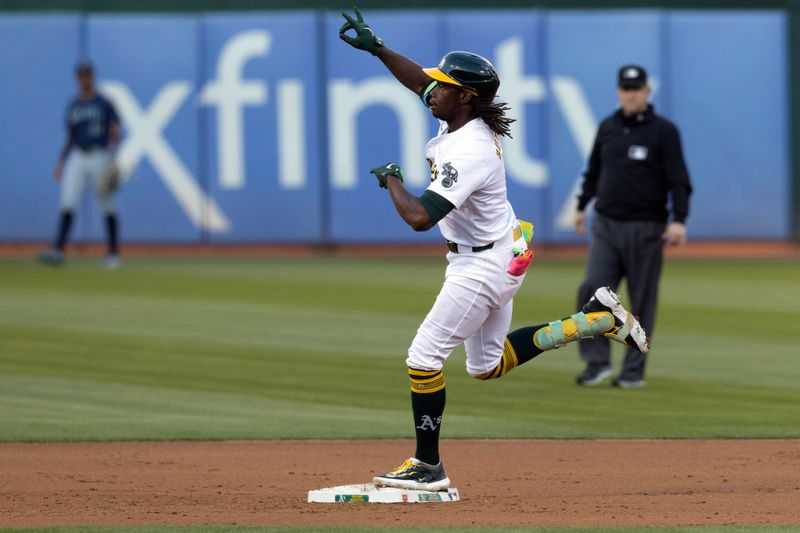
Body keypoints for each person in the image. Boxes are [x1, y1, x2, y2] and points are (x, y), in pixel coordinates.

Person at [339, 8, 649, 492]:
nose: (431, 89)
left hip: (483, 262)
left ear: (464, 96)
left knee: (423, 357)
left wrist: (393, 182)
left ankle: (428, 465)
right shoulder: (459, 116)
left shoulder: (470, 149)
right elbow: (416, 79)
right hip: (501, 249)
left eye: (442, 85)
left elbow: (420, 217)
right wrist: (378, 47)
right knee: (486, 366)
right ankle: (595, 320)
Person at [574, 65, 692, 389]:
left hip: (646, 226)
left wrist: (679, 219)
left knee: (641, 301)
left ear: (647, 91)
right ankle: (596, 363)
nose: (631, 94)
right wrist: (582, 205)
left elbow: (679, 180)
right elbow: (594, 171)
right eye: (626, 88)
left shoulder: (664, 131)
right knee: (593, 291)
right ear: (618, 91)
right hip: (607, 224)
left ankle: (633, 370)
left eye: (637, 88)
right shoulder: (608, 127)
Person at [38, 59, 123, 268]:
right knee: (68, 201)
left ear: (93, 77)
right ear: (77, 79)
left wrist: (113, 157)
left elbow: (115, 130)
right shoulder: (74, 105)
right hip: (78, 156)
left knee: (107, 204)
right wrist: (61, 161)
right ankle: (58, 250)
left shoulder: (104, 103)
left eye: (88, 75)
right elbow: (69, 136)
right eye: (82, 75)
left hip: (99, 155)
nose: (85, 79)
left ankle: (113, 253)